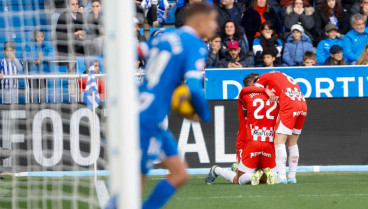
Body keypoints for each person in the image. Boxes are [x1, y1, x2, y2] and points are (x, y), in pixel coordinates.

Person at [136, 3, 215, 209]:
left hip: (143, 111)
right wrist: (205, 115)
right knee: (135, 186)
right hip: (149, 118)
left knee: (179, 173)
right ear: (200, 21)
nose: (215, 25)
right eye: (212, 20)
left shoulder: (163, 36)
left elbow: (136, 51)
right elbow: (195, 89)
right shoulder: (195, 45)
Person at [206, 73, 279, 186]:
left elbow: (246, 93)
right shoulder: (271, 95)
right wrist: (265, 90)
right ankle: (227, 169)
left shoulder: (247, 95)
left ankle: (220, 170)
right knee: (249, 176)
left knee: (241, 179)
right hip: (255, 140)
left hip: (250, 139)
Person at [238, 71, 308, 184]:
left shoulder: (263, 78)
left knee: (279, 141)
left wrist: (265, 89)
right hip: (302, 104)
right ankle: (292, 177)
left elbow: (252, 89)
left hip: (289, 105)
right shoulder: (282, 75)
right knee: (293, 142)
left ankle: (282, 177)